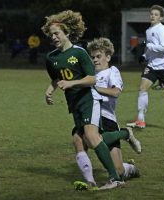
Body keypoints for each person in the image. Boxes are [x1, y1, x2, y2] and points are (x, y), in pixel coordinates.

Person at [41, 10, 125, 190]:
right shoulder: (51, 58)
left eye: (57, 33)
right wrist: (49, 91)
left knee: (92, 137)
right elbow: (56, 79)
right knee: (78, 140)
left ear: (67, 33)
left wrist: (72, 83)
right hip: (74, 104)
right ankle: (91, 182)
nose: (54, 37)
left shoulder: (79, 53)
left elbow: (92, 79)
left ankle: (115, 178)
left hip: (88, 100)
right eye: (51, 34)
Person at [73, 38, 141, 191]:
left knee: (119, 171)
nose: (95, 59)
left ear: (108, 57)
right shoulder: (88, 74)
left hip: (107, 118)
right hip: (90, 116)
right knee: (78, 139)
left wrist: (95, 89)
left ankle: (128, 159)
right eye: (93, 57)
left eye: (98, 56)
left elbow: (116, 92)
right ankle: (90, 182)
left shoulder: (112, 71)